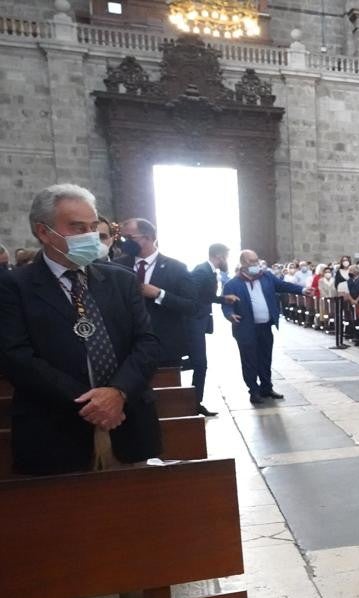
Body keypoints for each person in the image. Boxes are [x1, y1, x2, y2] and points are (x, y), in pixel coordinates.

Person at [0, 183, 161, 475]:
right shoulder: (14, 286)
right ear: (43, 232)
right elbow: (16, 357)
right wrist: (93, 403)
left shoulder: (120, 281)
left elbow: (146, 343)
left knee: (136, 513)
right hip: (54, 431)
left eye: (92, 227)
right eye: (77, 228)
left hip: (127, 422)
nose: (89, 236)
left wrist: (117, 393)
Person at [221, 250, 310, 405]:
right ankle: (253, 391)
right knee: (250, 360)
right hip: (245, 329)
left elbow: (283, 285)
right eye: (251, 261)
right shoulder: (232, 284)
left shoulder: (266, 277)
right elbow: (226, 306)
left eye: (256, 260)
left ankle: (266, 387)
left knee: (265, 358)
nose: (256, 264)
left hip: (265, 327)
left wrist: (302, 290)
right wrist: (230, 315)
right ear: (243, 262)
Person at [114, 218, 196, 369]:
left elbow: (191, 306)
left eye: (130, 238)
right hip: (127, 349)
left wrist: (160, 294)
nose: (125, 243)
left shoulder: (176, 268)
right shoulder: (116, 266)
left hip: (165, 347)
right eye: (123, 238)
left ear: (148, 237)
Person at [187, 243, 240, 417]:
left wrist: (223, 299)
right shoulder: (202, 271)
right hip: (194, 321)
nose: (227, 261)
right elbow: (192, 294)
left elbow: (205, 296)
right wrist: (222, 299)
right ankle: (193, 403)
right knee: (199, 363)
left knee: (199, 363)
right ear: (219, 256)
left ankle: (195, 402)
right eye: (226, 256)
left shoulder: (209, 271)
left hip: (199, 321)